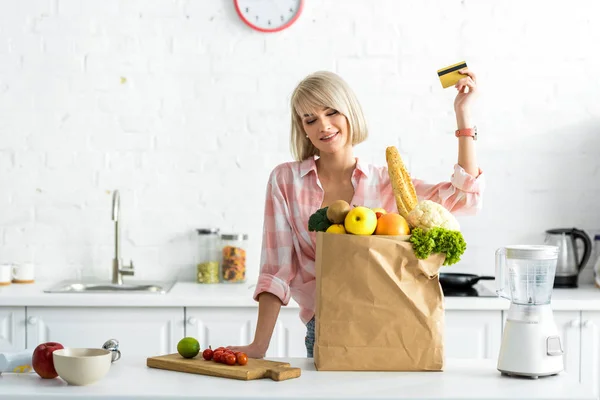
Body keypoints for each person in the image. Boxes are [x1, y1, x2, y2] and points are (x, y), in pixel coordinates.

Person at [227, 69, 484, 358]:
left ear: (350, 112)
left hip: (392, 327)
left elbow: (464, 198)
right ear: (303, 129)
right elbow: (276, 270)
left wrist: (464, 115)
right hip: (325, 327)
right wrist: (258, 347)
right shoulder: (285, 181)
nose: (323, 126)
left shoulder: (388, 183)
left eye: (331, 112)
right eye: (310, 119)